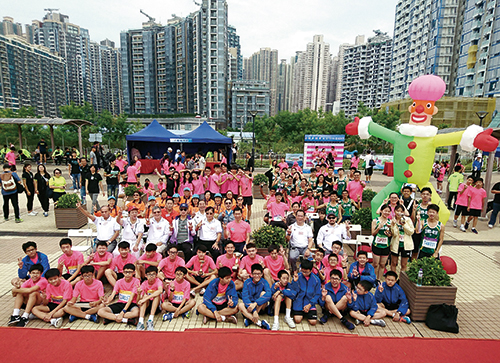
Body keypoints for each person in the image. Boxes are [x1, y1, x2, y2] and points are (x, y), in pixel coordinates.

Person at [238, 264, 272, 330]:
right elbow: (245, 297)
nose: (257, 276)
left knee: (263, 293)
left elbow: (269, 294)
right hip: (249, 307)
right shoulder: (247, 282)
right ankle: (259, 323)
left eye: (259, 274)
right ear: (251, 274)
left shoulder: (264, 282)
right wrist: (254, 311)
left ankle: (249, 319)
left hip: (260, 306)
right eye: (255, 274)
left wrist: (255, 304)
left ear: (262, 274)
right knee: (240, 305)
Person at [290, 260, 321, 326]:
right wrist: (295, 282)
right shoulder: (298, 276)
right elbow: (294, 291)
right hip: (298, 302)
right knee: (297, 320)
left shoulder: (316, 279)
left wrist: (310, 305)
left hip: (310, 302)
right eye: (302, 271)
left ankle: (307, 311)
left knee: (313, 322)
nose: (304, 273)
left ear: (311, 270)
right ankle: (301, 312)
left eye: (306, 272)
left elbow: (317, 294)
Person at [136, 266, 163, 331]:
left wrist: (146, 298)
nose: (151, 276)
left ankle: (150, 320)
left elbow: (160, 291)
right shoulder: (144, 284)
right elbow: (138, 301)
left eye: (153, 274)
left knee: (156, 296)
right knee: (144, 296)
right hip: (147, 305)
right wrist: (139, 294)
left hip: (156, 306)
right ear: (146, 275)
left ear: (156, 275)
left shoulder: (158, 281)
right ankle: (141, 322)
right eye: (149, 274)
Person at [390, 204, 414, 272]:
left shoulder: (408, 220)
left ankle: (401, 280)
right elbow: (394, 234)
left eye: (401, 211)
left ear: (403, 212)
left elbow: (411, 232)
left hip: (406, 245)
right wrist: (393, 225)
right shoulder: (393, 220)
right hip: (396, 244)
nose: (399, 213)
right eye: (397, 211)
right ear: (394, 211)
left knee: (404, 264)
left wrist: (404, 225)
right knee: (394, 263)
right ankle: (393, 279)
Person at [371, 204, 393, 280]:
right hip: (376, 245)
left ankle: (378, 279)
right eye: (385, 211)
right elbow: (373, 233)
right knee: (375, 264)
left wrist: (389, 234)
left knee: (382, 264)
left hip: (386, 245)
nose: (386, 213)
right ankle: (373, 278)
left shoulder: (390, 222)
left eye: (388, 211)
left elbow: (392, 234)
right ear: (381, 211)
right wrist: (378, 228)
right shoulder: (375, 220)